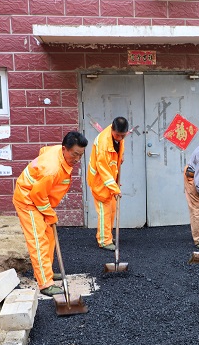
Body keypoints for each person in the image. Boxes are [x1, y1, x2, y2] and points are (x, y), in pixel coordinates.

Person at [12, 131, 87, 297]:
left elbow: (43, 151)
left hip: (40, 198)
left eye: (80, 155)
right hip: (28, 200)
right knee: (38, 239)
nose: (77, 159)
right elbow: (37, 195)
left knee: (49, 235)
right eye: (75, 154)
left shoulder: (58, 153)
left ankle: (47, 272)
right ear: (64, 149)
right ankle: (45, 282)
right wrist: (50, 214)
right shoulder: (51, 169)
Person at [87, 116, 130, 250]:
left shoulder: (118, 137)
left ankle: (108, 235)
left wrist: (121, 156)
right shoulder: (103, 145)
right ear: (112, 129)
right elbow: (104, 170)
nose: (120, 138)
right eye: (117, 135)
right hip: (99, 182)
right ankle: (104, 240)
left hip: (110, 181)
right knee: (104, 212)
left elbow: (117, 152)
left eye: (123, 136)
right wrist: (115, 189)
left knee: (111, 210)